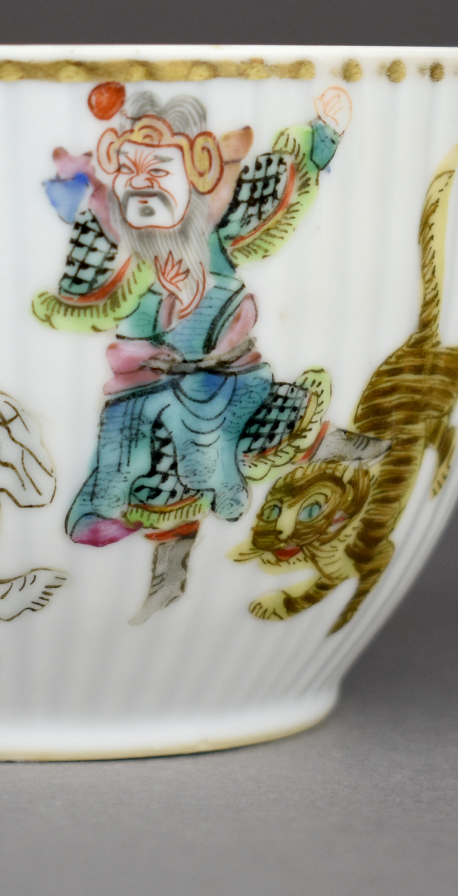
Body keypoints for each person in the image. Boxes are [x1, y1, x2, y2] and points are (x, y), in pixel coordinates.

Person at [33, 85, 352, 623]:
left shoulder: (215, 222)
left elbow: (273, 181)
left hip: (229, 378)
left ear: (198, 173)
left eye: (158, 170)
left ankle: (340, 445)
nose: (142, 185)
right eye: (129, 172)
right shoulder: (113, 237)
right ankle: (169, 574)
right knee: (148, 475)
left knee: (270, 423)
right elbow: (80, 294)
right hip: (144, 392)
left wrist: (324, 133)